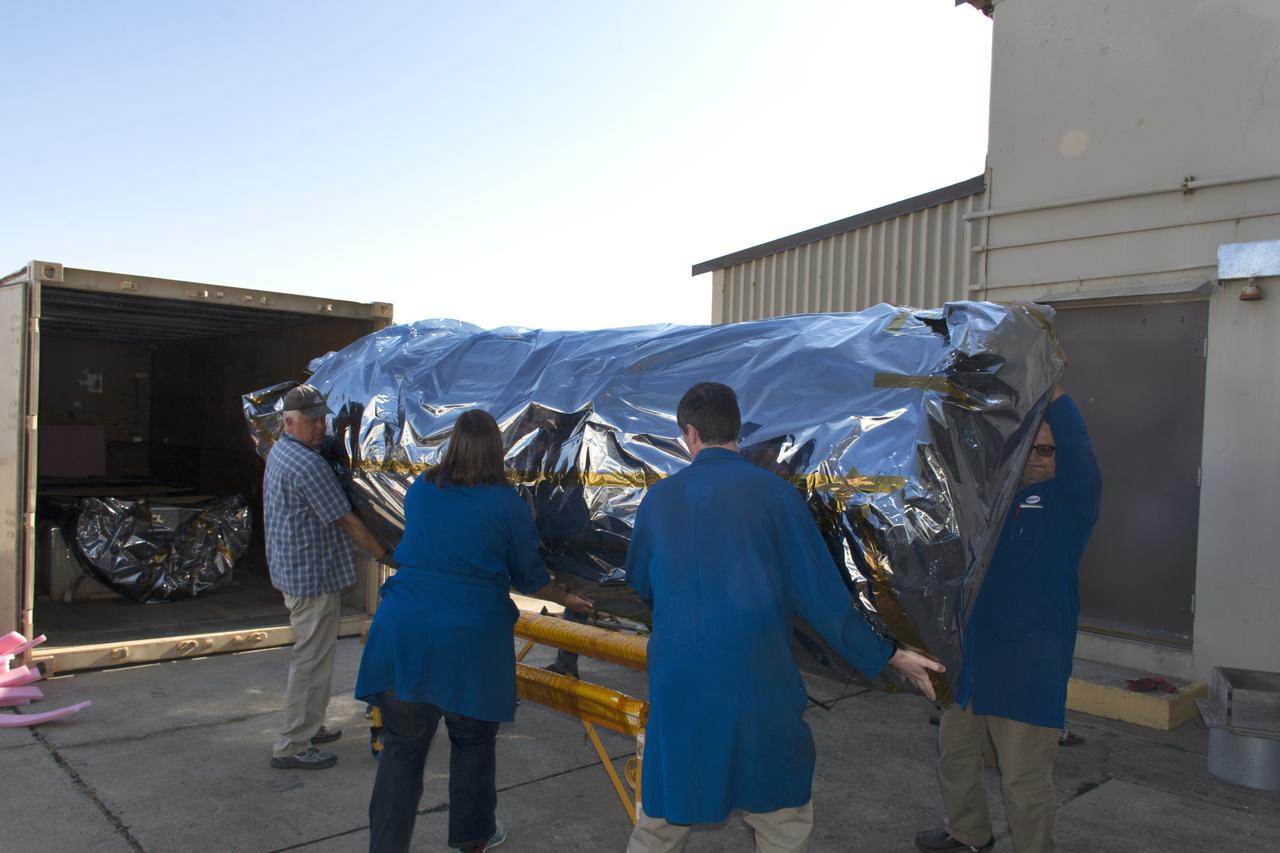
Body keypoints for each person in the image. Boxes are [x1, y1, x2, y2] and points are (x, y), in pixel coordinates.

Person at [625, 382, 944, 853]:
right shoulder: (777, 497)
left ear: (689, 433)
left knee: (661, 820)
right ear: (737, 429)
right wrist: (889, 655)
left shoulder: (658, 500)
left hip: (681, 693)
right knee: (781, 823)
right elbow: (823, 599)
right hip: (759, 689)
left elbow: (641, 584)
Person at [355, 409, 593, 853]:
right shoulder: (507, 502)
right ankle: (472, 840)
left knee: (401, 752)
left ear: (453, 444)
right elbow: (529, 577)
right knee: (472, 748)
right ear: (496, 451)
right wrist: (567, 598)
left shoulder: (423, 488)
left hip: (404, 633)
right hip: (470, 644)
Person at [915, 389, 1101, 853]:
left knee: (1024, 779)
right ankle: (969, 833)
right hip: (973, 658)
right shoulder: (995, 502)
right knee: (955, 754)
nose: (1034, 459)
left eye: (1046, 451)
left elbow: (1076, 445)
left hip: (1029, 667)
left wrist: (1055, 393)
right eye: (1028, 449)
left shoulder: (1071, 502)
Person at [264, 384, 389, 770]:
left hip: (297, 572)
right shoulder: (308, 464)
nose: (320, 427)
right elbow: (348, 521)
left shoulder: (283, 450)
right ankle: (292, 744)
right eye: (311, 421)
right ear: (288, 422)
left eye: (322, 419)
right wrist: (386, 554)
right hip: (311, 578)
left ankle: (309, 726)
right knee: (311, 660)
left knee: (314, 656)